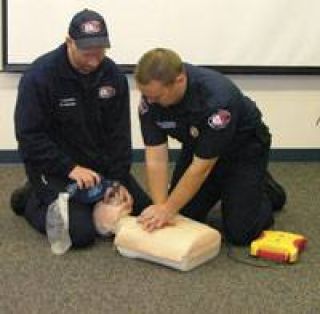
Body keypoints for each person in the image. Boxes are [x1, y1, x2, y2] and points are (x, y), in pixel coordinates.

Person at [11, 9, 151, 248]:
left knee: (145, 212)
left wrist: (117, 181)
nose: (94, 60)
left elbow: (119, 135)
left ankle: (89, 199)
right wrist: (70, 168)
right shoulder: (40, 77)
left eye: (100, 51)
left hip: (99, 164)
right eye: (87, 52)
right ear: (69, 42)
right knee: (80, 234)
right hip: (55, 166)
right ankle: (29, 199)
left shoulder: (113, 76)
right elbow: (29, 136)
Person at [135, 48, 286, 245]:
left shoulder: (217, 100)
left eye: (156, 96)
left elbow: (201, 168)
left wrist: (167, 210)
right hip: (199, 147)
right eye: (146, 95)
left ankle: (264, 188)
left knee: (240, 233)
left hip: (243, 150)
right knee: (184, 216)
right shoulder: (151, 98)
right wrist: (160, 207)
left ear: (179, 80)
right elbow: (156, 158)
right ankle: (231, 187)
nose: (150, 101)